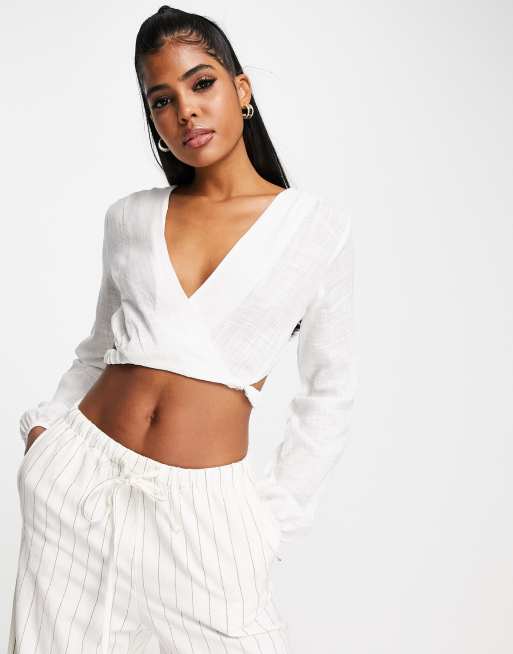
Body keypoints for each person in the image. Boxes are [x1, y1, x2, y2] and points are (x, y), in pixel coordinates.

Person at [8, 6, 357, 654]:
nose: (186, 111)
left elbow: (330, 389)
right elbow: (98, 351)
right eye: (162, 100)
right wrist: (45, 433)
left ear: (241, 89)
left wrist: (274, 519)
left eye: (201, 84)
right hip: (79, 489)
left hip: (207, 516)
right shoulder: (130, 218)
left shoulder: (314, 230)